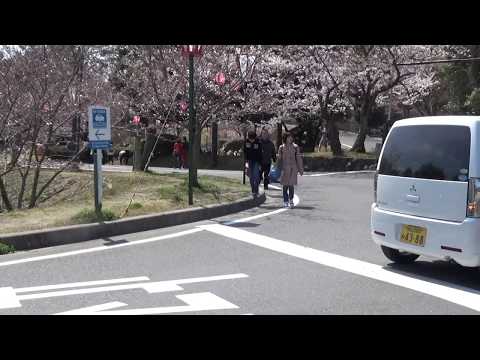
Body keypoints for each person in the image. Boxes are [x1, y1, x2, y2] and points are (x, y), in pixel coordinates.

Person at [277, 132, 304, 208]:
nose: (290, 138)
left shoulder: (295, 147)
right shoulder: (281, 147)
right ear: (285, 138)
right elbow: (279, 159)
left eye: (291, 137)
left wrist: (300, 169)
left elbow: (298, 158)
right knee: (285, 186)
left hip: (293, 169)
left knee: (291, 186)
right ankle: (285, 201)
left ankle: (291, 200)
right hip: (284, 169)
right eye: (289, 137)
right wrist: (278, 169)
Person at [244, 130, 262, 198]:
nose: (251, 140)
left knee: (256, 176)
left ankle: (256, 190)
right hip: (249, 161)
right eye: (250, 139)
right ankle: (253, 191)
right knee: (251, 176)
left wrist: (260, 163)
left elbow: (260, 153)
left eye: (253, 139)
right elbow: (245, 151)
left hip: (257, 161)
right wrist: (246, 161)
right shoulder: (246, 142)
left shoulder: (258, 142)